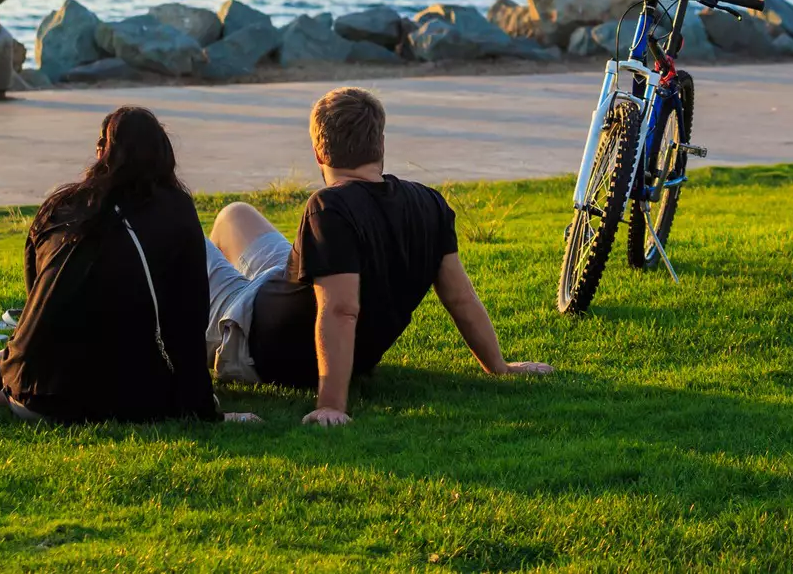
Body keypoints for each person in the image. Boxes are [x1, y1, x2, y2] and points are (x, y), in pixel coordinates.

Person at [204, 87, 550, 426]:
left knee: (195, 239)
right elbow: (460, 296)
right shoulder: (429, 203)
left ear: (318, 154)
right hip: (280, 290)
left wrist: (331, 406)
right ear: (380, 144)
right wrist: (498, 366)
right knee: (234, 214)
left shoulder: (329, 207)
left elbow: (340, 310)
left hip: (251, 336)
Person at [0, 106, 249, 424]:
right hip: (117, 401)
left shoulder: (62, 206)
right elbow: (185, 322)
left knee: (17, 349)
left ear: (103, 153)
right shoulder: (177, 211)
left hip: (31, 387)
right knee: (121, 359)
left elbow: (35, 303)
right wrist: (204, 409)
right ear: (163, 156)